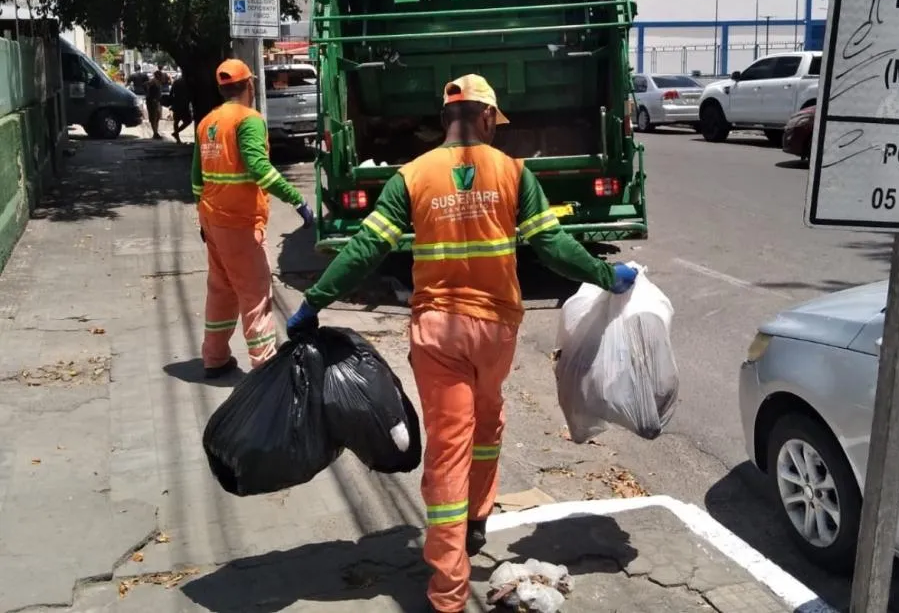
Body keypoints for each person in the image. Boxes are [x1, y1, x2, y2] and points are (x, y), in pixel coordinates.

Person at [285, 74, 638, 613]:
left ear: (445, 119)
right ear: (489, 118)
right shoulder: (514, 173)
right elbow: (553, 245)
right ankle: (477, 518)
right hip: (496, 333)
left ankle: (448, 593)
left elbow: (365, 249)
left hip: (438, 334)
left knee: (450, 448)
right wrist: (604, 273)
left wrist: (315, 299)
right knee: (489, 423)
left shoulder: (413, 176)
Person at [192, 58, 316, 379]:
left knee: (221, 289)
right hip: (238, 223)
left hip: (213, 220)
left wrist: (202, 219)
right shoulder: (249, 120)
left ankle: (215, 356)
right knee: (256, 292)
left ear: (222, 89)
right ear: (249, 85)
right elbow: (259, 168)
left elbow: (196, 178)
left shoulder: (207, 122)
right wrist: (298, 200)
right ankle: (265, 368)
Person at [171, 73, 193, 143]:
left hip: (176, 104)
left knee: (176, 121)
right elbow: (191, 94)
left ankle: (177, 139)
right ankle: (176, 133)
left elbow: (171, 93)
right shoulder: (188, 83)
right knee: (188, 121)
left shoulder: (176, 82)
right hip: (184, 104)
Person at [146, 70, 163, 140]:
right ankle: (155, 133)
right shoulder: (153, 81)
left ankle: (156, 132)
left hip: (157, 101)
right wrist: (150, 95)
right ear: (158, 75)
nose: (162, 77)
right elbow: (145, 84)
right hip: (153, 102)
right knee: (154, 117)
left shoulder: (158, 82)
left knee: (158, 117)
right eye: (161, 75)